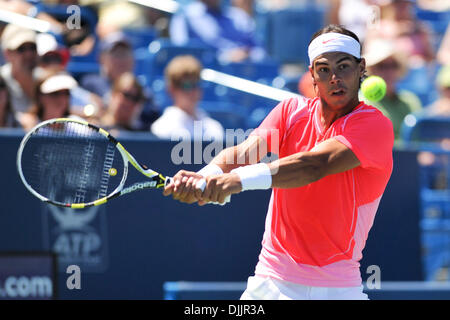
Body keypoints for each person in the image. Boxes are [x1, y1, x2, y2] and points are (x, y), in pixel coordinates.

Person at [163, 25, 394, 300]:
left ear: (361, 68)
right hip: (270, 282)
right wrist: (204, 176)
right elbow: (243, 154)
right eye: (323, 69)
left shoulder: (374, 125)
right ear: (312, 75)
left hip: (337, 290)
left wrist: (236, 181)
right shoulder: (289, 112)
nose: (334, 77)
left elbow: (314, 165)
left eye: (343, 66)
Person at [151, 55, 224, 141]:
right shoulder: (161, 128)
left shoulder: (214, 127)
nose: (193, 91)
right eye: (187, 86)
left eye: (196, 84)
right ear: (172, 89)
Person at [362, 38, 422, 141]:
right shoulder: (359, 103)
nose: (389, 72)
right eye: (382, 66)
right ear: (370, 70)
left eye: (393, 65)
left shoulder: (410, 100)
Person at [169, 0, 266, 63]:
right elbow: (182, 53)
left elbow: (260, 52)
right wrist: (225, 58)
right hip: (207, 80)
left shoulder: (239, 17)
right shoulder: (185, 17)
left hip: (247, 77)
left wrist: (248, 56)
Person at [0, 24, 38, 115]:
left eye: (32, 48)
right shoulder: (1, 80)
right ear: (7, 53)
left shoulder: (48, 79)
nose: (29, 54)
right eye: (21, 49)